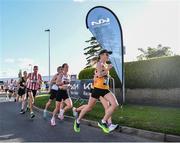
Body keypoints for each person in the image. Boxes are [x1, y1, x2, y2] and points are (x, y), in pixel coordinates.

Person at [74, 49, 119, 133]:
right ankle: (78, 120)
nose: (108, 56)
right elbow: (99, 75)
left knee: (114, 104)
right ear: (101, 55)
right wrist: (107, 69)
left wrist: (107, 70)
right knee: (89, 107)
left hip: (105, 89)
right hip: (97, 89)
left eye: (108, 55)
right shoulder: (99, 64)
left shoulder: (105, 64)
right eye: (107, 54)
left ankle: (105, 122)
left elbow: (103, 76)